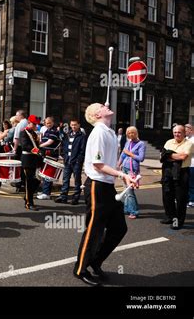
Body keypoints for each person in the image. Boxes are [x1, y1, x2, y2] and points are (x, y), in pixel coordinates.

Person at [73, 103, 137, 286]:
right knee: (94, 230)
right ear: (96, 114)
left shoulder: (109, 132)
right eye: (102, 105)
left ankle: (95, 260)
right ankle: (80, 269)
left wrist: (126, 176)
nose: (107, 105)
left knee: (119, 228)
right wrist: (122, 174)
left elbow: (109, 163)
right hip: (96, 186)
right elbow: (98, 165)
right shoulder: (99, 132)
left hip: (107, 186)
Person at [160, 125, 193, 230]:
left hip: (181, 173)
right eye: (175, 132)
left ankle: (177, 222)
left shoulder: (189, 143)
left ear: (184, 133)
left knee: (180, 199)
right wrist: (173, 156)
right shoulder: (168, 142)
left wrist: (168, 155)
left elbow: (183, 157)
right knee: (167, 196)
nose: (176, 134)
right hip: (167, 171)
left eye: (179, 132)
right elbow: (162, 156)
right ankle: (170, 217)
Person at [55, 120, 86, 205]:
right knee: (65, 179)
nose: (73, 126)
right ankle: (63, 196)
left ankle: (75, 198)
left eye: (75, 125)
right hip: (67, 160)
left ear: (79, 125)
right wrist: (64, 157)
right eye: (72, 125)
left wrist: (78, 160)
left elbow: (82, 150)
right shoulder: (67, 135)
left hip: (76, 162)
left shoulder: (82, 136)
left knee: (77, 180)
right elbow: (64, 146)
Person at [117, 126, 145, 219]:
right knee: (126, 189)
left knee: (129, 190)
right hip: (124, 168)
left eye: (132, 133)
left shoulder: (141, 144)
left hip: (132, 170)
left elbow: (141, 158)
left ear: (136, 133)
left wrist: (130, 153)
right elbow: (123, 154)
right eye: (128, 133)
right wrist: (119, 164)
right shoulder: (128, 142)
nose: (130, 135)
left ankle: (134, 211)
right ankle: (127, 209)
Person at [19, 115, 43, 211]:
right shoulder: (23, 132)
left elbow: (36, 145)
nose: (35, 126)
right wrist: (34, 150)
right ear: (29, 123)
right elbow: (25, 145)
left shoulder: (33, 133)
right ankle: (29, 203)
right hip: (27, 159)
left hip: (34, 159)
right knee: (29, 182)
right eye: (34, 124)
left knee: (36, 181)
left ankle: (27, 196)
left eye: (36, 124)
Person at [37, 117, 61, 200]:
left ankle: (46, 193)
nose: (48, 124)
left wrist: (39, 146)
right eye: (46, 123)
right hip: (46, 154)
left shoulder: (54, 131)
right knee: (45, 174)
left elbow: (49, 142)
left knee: (47, 174)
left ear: (53, 123)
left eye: (49, 123)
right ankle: (45, 191)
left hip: (51, 155)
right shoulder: (47, 130)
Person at [185, 124, 194, 208]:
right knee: (185, 182)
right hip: (185, 164)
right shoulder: (186, 139)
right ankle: (187, 199)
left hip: (192, 164)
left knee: (191, 183)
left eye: (186, 130)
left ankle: (191, 200)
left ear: (191, 130)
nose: (185, 132)